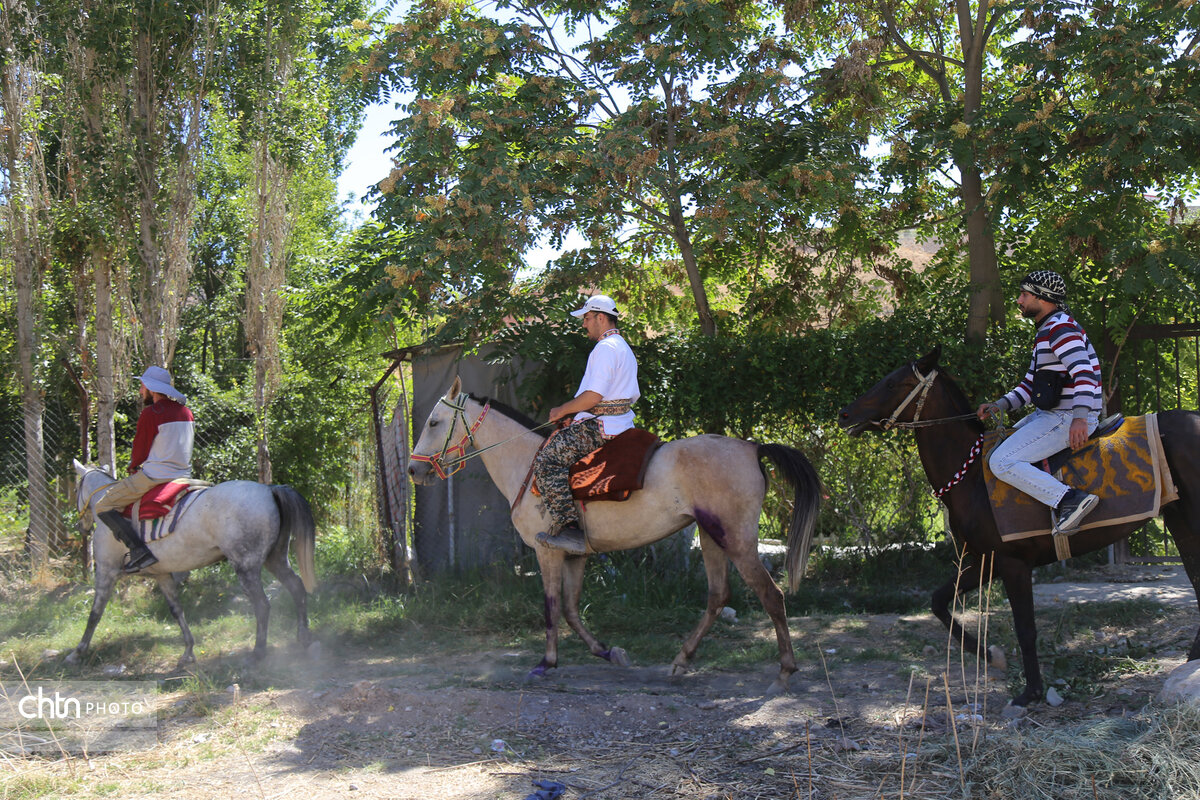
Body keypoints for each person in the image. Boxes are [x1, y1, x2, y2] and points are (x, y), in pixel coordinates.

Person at [977, 270, 1102, 534]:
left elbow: (1084, 373)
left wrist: (1080, 418)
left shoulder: (1060, 328)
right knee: (999, 447)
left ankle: (1069, 500)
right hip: (1053, 416)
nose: (1019, 300)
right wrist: (999, 405)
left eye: (1024, 295)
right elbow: (1029, 386)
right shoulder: (1047, 330)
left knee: (1002, 462)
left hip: (1066, 418)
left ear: (1043, 298)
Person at [533, 295, 640, 555]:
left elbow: (594, 396)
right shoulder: (622, 346)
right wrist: (576, 414)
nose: (584, 325)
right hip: (620, 421)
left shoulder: (605, 348)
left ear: (601, 317)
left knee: (547, 461)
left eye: (587, 319)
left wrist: (561, 410)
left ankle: (570, 530)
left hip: (602, 427)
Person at [93, 366, 195, 573]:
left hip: (155, 477)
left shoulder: (151, 413)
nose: (140, 391)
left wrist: (132, 466)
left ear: (151, 388)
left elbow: (141, 448)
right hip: (184, 476)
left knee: (103, 505)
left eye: (142, 386)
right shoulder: (186, 412)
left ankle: (138, 551)